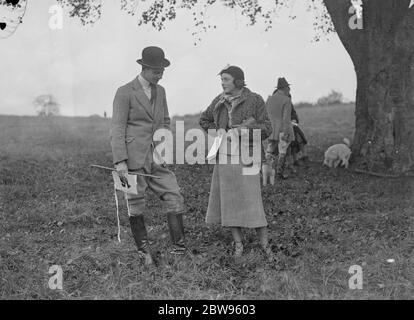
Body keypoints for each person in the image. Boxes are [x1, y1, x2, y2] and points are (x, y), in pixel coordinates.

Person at [110, 46, 186, 265]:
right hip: (132, 159)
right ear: (144, 68)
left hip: (157, 158)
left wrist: (164, 145)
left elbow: (165, 120)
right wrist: (120, 161)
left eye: (162, 70)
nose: (160, 75)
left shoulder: (160, 91)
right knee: (135, 203)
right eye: (156, 71)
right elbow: (117, 129)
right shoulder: (124, 92)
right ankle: (144, 254)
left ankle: (179, 250)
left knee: (174, 195)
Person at [199, 65, 274, 260]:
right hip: (225, 158)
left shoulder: (255, 100)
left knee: (253, 202)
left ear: (238, 82)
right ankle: (238, 244)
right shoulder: (219, 101)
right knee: (230, 202)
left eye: (226, 79)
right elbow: (204, 120)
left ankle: (265, 246)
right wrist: (218, 132)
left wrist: (242, 131)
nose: (222, 83)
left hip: (248, 157)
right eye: (221, 79)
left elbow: (267, 128)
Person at [264, 77, 295, 180]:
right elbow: (286, 118)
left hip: (271, 130)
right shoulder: (286, 100)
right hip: (282, 129)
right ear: (285, 88)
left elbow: (266, 115)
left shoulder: (269, 99)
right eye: (288, 88)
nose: (289, 90)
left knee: (269, 151)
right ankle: (279, 173)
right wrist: (287, 132)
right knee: (282, 151)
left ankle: (265, 172)